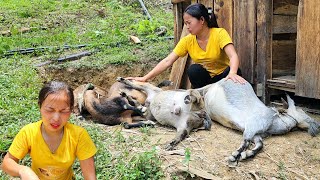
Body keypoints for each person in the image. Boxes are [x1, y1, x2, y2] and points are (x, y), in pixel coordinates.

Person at [128, 3, 246, 88]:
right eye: (185, 24)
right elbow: (168, 61)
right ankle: (204, 100)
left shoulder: (219, 33)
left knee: (230, 71)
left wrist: (232, 74)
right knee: (194, 70)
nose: (187, 27)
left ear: (201, 20)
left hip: (224, 77)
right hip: (207, 82)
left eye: (189, 23)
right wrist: (145, 78)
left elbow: (233, 56)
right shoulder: (187, 40)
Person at [0, 81, 97, 180]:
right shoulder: (28, 133)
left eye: (64, 111)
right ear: (40, 106)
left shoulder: (79, 135)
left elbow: (90, 177)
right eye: (50, 110)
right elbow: (7, 163)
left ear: (71, 110)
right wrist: (23, 170)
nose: (56, 118)